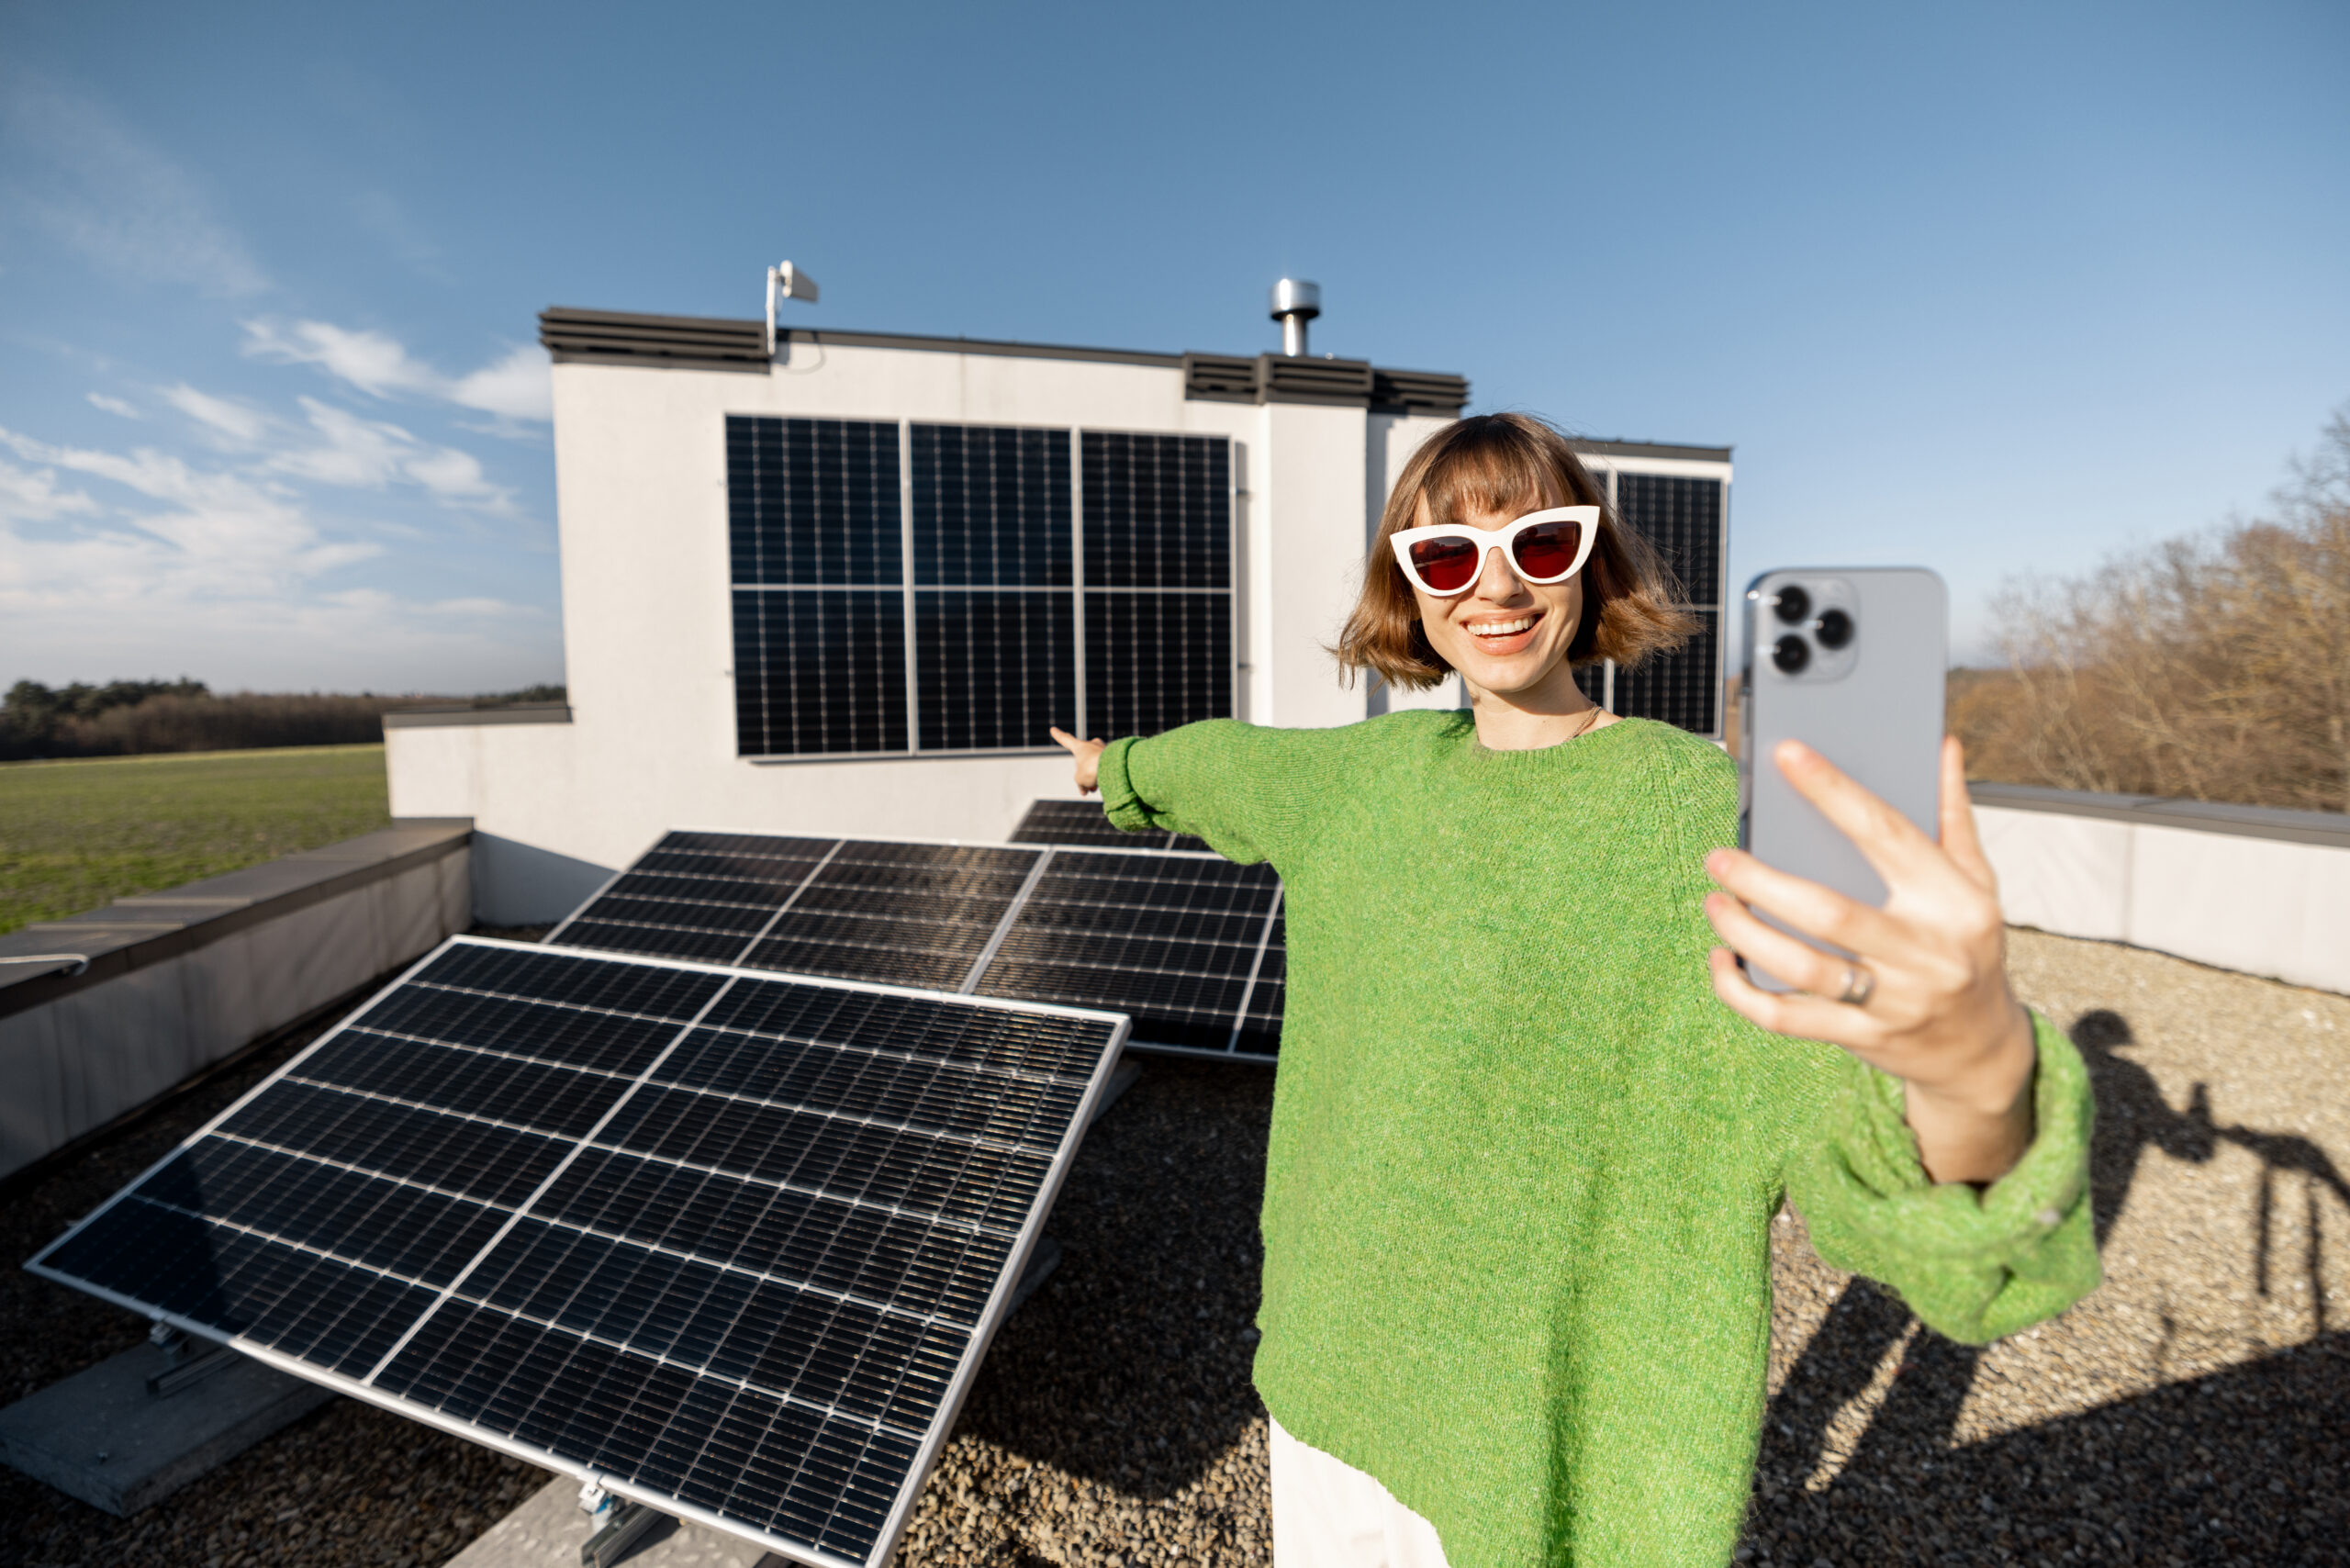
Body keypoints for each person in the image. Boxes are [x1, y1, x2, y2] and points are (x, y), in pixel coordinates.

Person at [1047, 413, 2097, 1568]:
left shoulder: (1699, 819)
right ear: (1407, 587)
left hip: (1533, 1444)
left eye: (1538, 544)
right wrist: (1118, 765)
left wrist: (1976, 1070)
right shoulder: (1355, 780)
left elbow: (1885, 1171)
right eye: (1444, 556)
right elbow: (1225, 764)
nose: (1492, 585)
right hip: (1323, 1374)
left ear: (1590, 561)